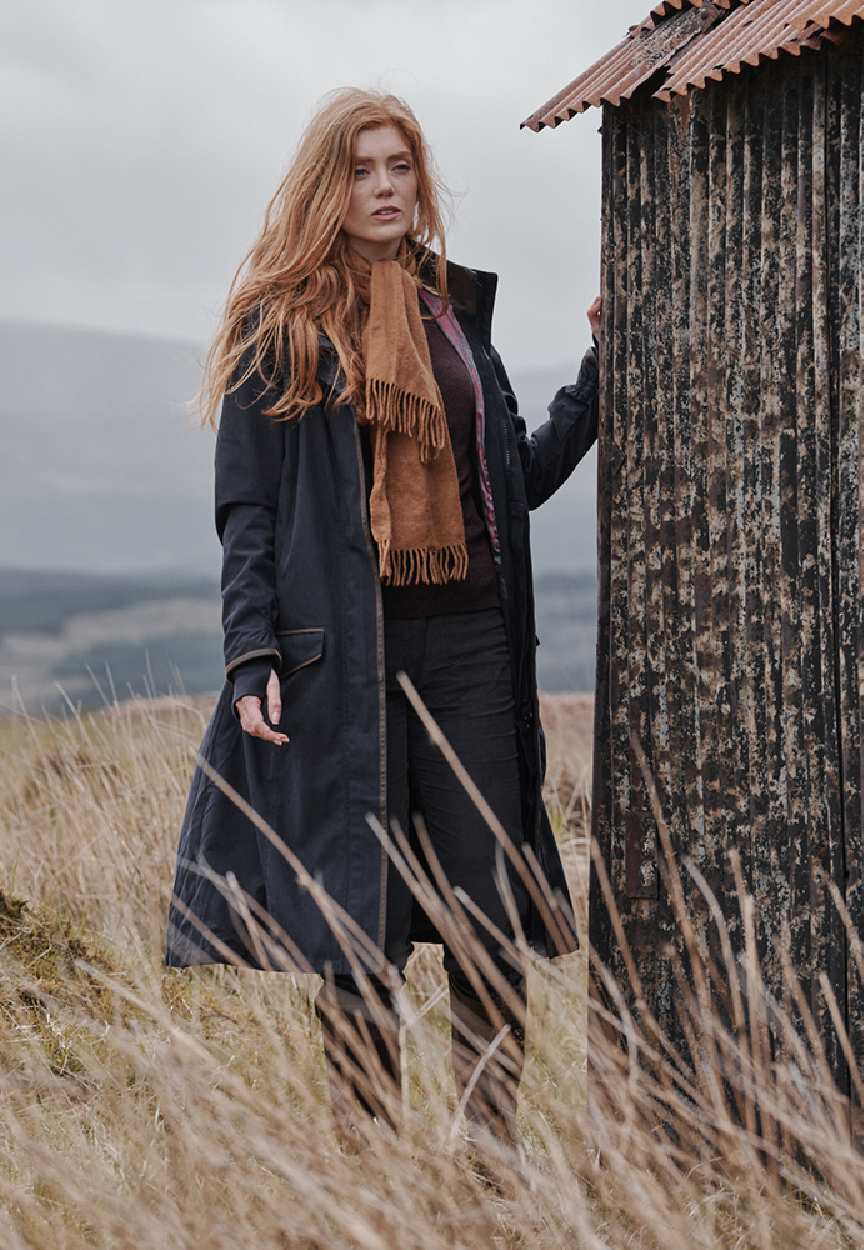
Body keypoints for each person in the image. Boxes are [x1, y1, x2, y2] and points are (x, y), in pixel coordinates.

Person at [163, 85, 602, 1157]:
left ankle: (491, 1164)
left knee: (485, 918)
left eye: (399, 166)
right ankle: (366, 1173)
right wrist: (251, 650)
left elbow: (512, 475)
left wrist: (597, 377)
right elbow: (249, 510)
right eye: (361, 170)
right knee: (355, 929)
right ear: (330, 186)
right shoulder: (285, 325)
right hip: (342, 661)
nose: (385, 188)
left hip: (470, 651)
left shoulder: (453, 321)